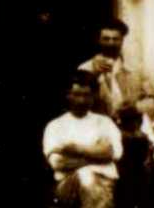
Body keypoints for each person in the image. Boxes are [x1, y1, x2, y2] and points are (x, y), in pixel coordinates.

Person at [42, 72, 123, 208]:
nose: (81, 101)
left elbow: (115, 154)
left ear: (94, 96)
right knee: (86, 175)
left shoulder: (105, 122)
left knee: (92, 182)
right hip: (68, 186)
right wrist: (99, 154)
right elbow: (58, 163)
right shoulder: (55, 126)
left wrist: (75, 149)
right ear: (67, 95)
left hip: (104, 183)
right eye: (76, 94)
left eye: (86, 95)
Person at [78, 19, 152, 120]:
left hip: (130, 124)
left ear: (122, 40)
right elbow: (78, 104)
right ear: (99, 40)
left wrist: (135, 108)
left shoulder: (136, 68)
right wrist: (94, 75)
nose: (111, 43)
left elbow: (153, 101)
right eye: (106, 39)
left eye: (115, 39)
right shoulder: (85, 68)